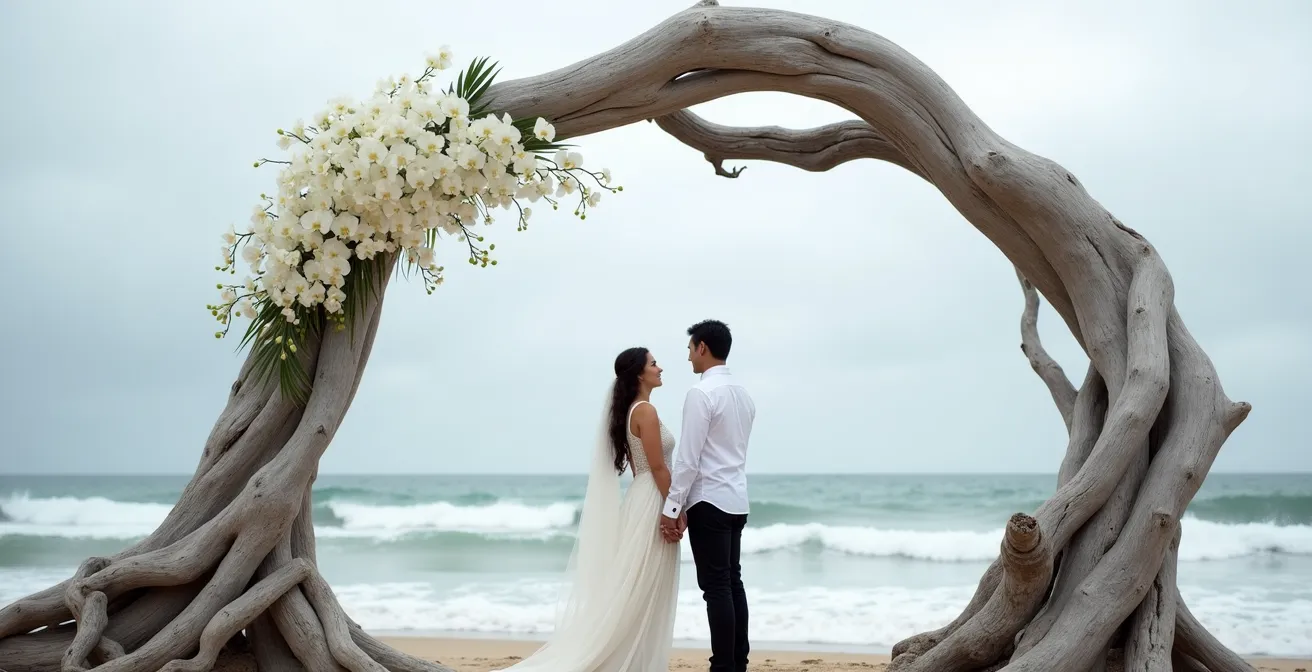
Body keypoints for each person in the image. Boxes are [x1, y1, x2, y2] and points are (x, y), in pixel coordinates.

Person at [494, 346, 682, 672]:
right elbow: (658, 467)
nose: (660, 368)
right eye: (654, 363)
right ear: (639, 372)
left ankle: (636, 658)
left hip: (642, 498)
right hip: (652, 499)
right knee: (642, 584)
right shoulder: (645, 412)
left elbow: (647, 469)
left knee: (641, 583)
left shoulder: (636, 410)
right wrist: (676, 508)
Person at [660, 319, 756, 672]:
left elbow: (688, 458)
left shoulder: (701, 394)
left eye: (689, 349)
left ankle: (724, 666)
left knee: (716, 588)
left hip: (709, 500)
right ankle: (737, 663)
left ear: (702, 347)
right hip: (737, 499)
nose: (688, 357)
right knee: (732, 582)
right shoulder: (744, 396)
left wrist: (672, 506)